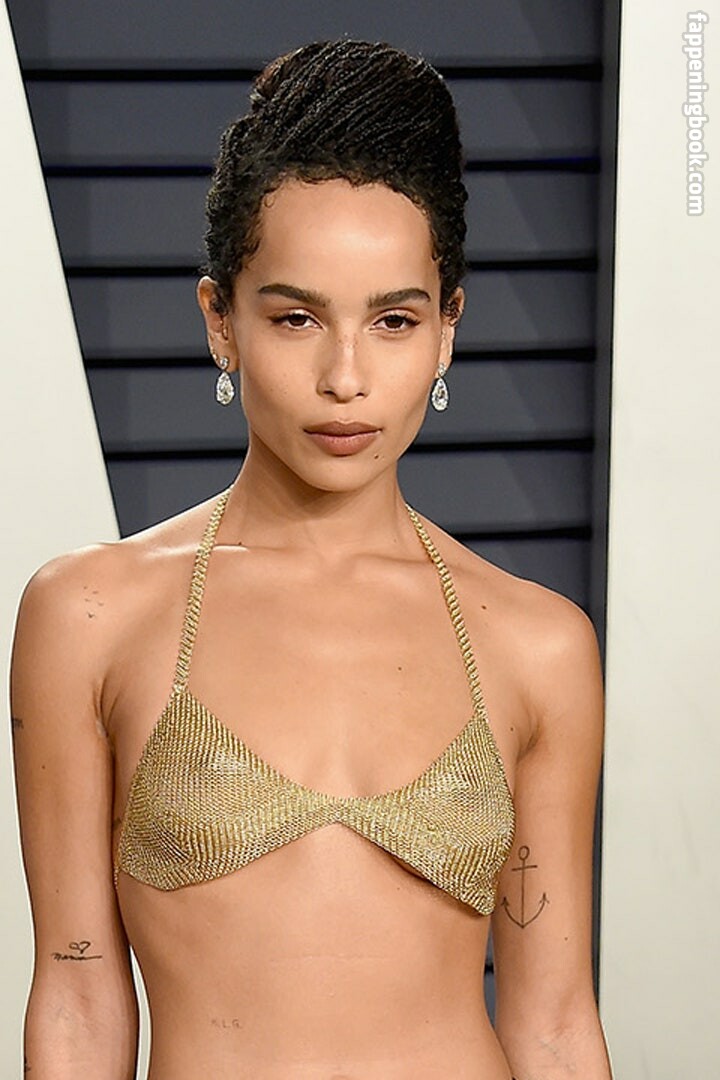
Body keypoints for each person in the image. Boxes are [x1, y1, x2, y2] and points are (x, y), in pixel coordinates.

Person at [10, 39, 612, 1080]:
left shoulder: (540, 645)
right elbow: (75, 998)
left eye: (393, 321)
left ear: (448, 330)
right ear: (220, 320)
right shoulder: (89, 616)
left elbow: (554, 1025)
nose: (345, 377)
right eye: (296, 318)